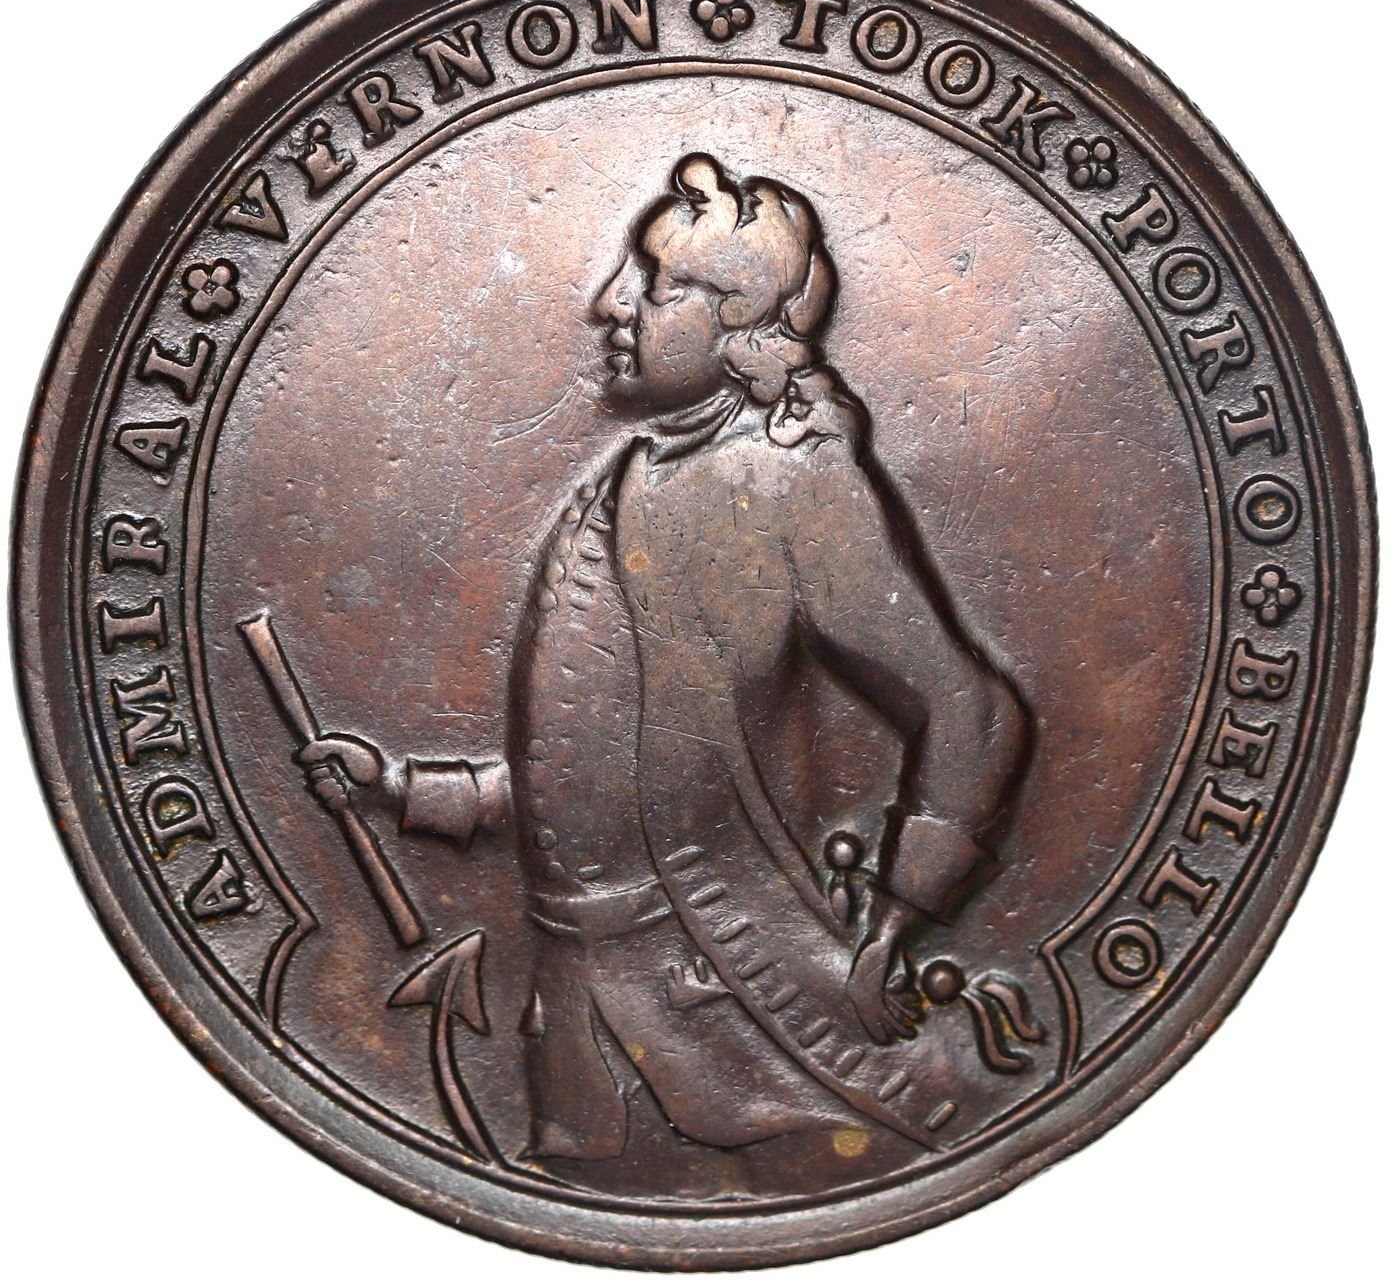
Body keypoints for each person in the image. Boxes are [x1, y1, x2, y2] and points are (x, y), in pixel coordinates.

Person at [298, 153, 1029, 1165]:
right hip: (575, 1004)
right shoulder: (629, 480)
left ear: (740, 325)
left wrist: (895, 923)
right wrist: (408, 790)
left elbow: (968, 706)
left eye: (653, 284)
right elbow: (593, 762)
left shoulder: (788, 485)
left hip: (727, 993)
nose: (609, 304)